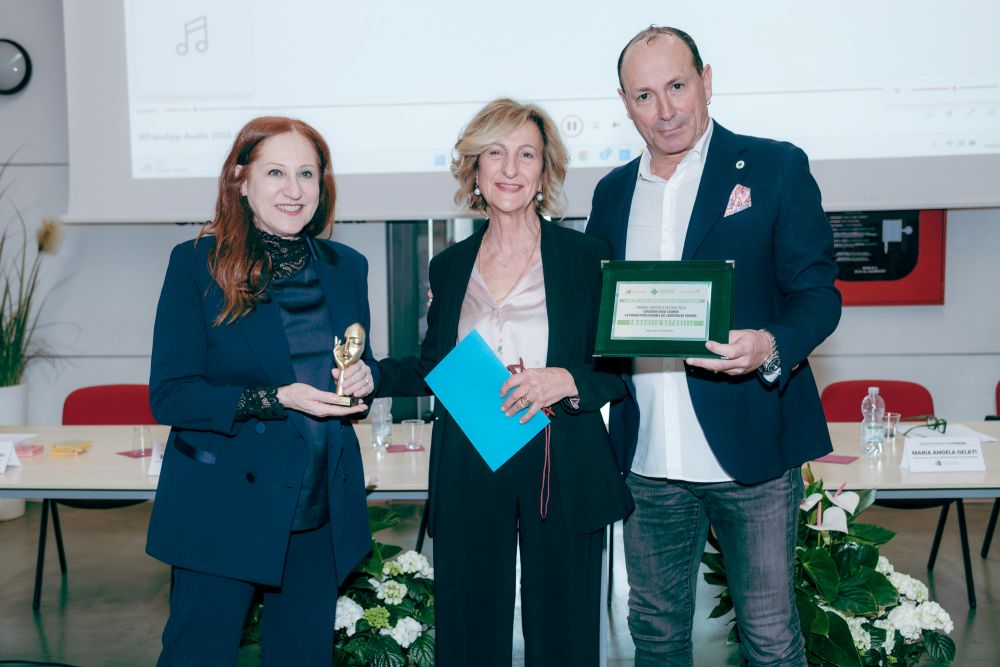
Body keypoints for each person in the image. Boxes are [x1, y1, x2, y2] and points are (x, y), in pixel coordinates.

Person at [586, 27, 841, 666]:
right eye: (645, 95)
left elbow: (818, 296)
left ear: (705, 80)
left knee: (771, 639)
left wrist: (768, 344)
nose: (665, 110)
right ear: (624, 103)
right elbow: (596, 308)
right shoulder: (612, 192)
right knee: (655, 637)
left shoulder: (775, 167)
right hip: (647, 458)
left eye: (677, 85)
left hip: (751, 451)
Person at [377, 98, 633, 666]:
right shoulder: (449, 266)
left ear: (545, 171)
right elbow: (435, 366)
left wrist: (565, 379)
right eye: (495, 153)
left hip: (559, 461)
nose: (511, 168)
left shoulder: (586, 257)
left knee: (564, 636)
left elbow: (617, 372)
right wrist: (368, 375)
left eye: (526, 155)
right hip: (471, 458)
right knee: (468, 632)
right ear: (475, 169)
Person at [146, 116, 378, 665]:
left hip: (318, 508)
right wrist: (276, 399)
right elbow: (170, 395)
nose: (293, 190)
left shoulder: (347, 267)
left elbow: (352, 361)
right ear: (241, 180)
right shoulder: (197, 264)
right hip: (224, 504)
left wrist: (363, 378)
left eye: (307, 174)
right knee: (197, 657)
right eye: (275, 172)